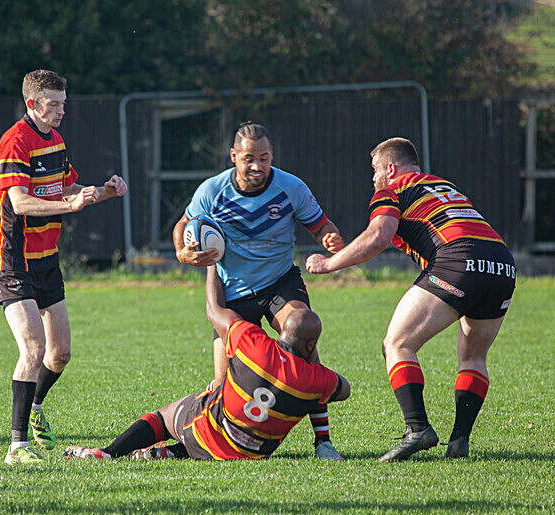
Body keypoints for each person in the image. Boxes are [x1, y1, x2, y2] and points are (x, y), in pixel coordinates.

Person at [306, 137, 515, 461]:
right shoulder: (442, 185)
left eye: (375, 169)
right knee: (473, 356)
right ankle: (459, 441)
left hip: (458, 259)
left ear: (390, 168)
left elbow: (379, 236)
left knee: (397, 344)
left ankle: (417, 429)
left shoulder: (392, 190)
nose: (373, 178)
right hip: (501, 263)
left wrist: (329, 264)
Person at [172, 122, 346, 460]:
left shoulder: (291, 187)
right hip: (233, 290)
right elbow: (183, 225)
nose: (257, 166)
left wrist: (329, 237)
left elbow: (321, 224)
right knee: (224, 384)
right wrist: (183, 252)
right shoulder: (212, 190)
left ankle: (323, 441)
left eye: (264, 158)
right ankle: (212, 444)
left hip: (280, 281)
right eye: (249, 158)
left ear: (271, 157)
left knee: (304, 339)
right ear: (234, 156)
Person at [63, 265, 350, 461]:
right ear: (311, 345)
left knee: (168, 415)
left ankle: (109, 452)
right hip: (257, 452)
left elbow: (215, 311)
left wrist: (212, 265)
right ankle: (173, 453)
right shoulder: (319, 380)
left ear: (282, 329)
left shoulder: (255, 343)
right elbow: (344, 389)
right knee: (218, 399)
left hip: (212, 437)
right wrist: (310, 358)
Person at [0, 69, 127, 465]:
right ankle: (17, 447)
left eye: (64, 103)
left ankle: (34, 406)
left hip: (46, 260)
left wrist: (104, 192)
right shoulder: (15, 142)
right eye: (53, 104)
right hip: (11, 258)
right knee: (33, 346)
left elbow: (67, 189)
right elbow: (20, 202)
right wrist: (71, 204)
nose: (61, 110)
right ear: (32, 104)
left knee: (59, 353)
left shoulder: (56, 139)